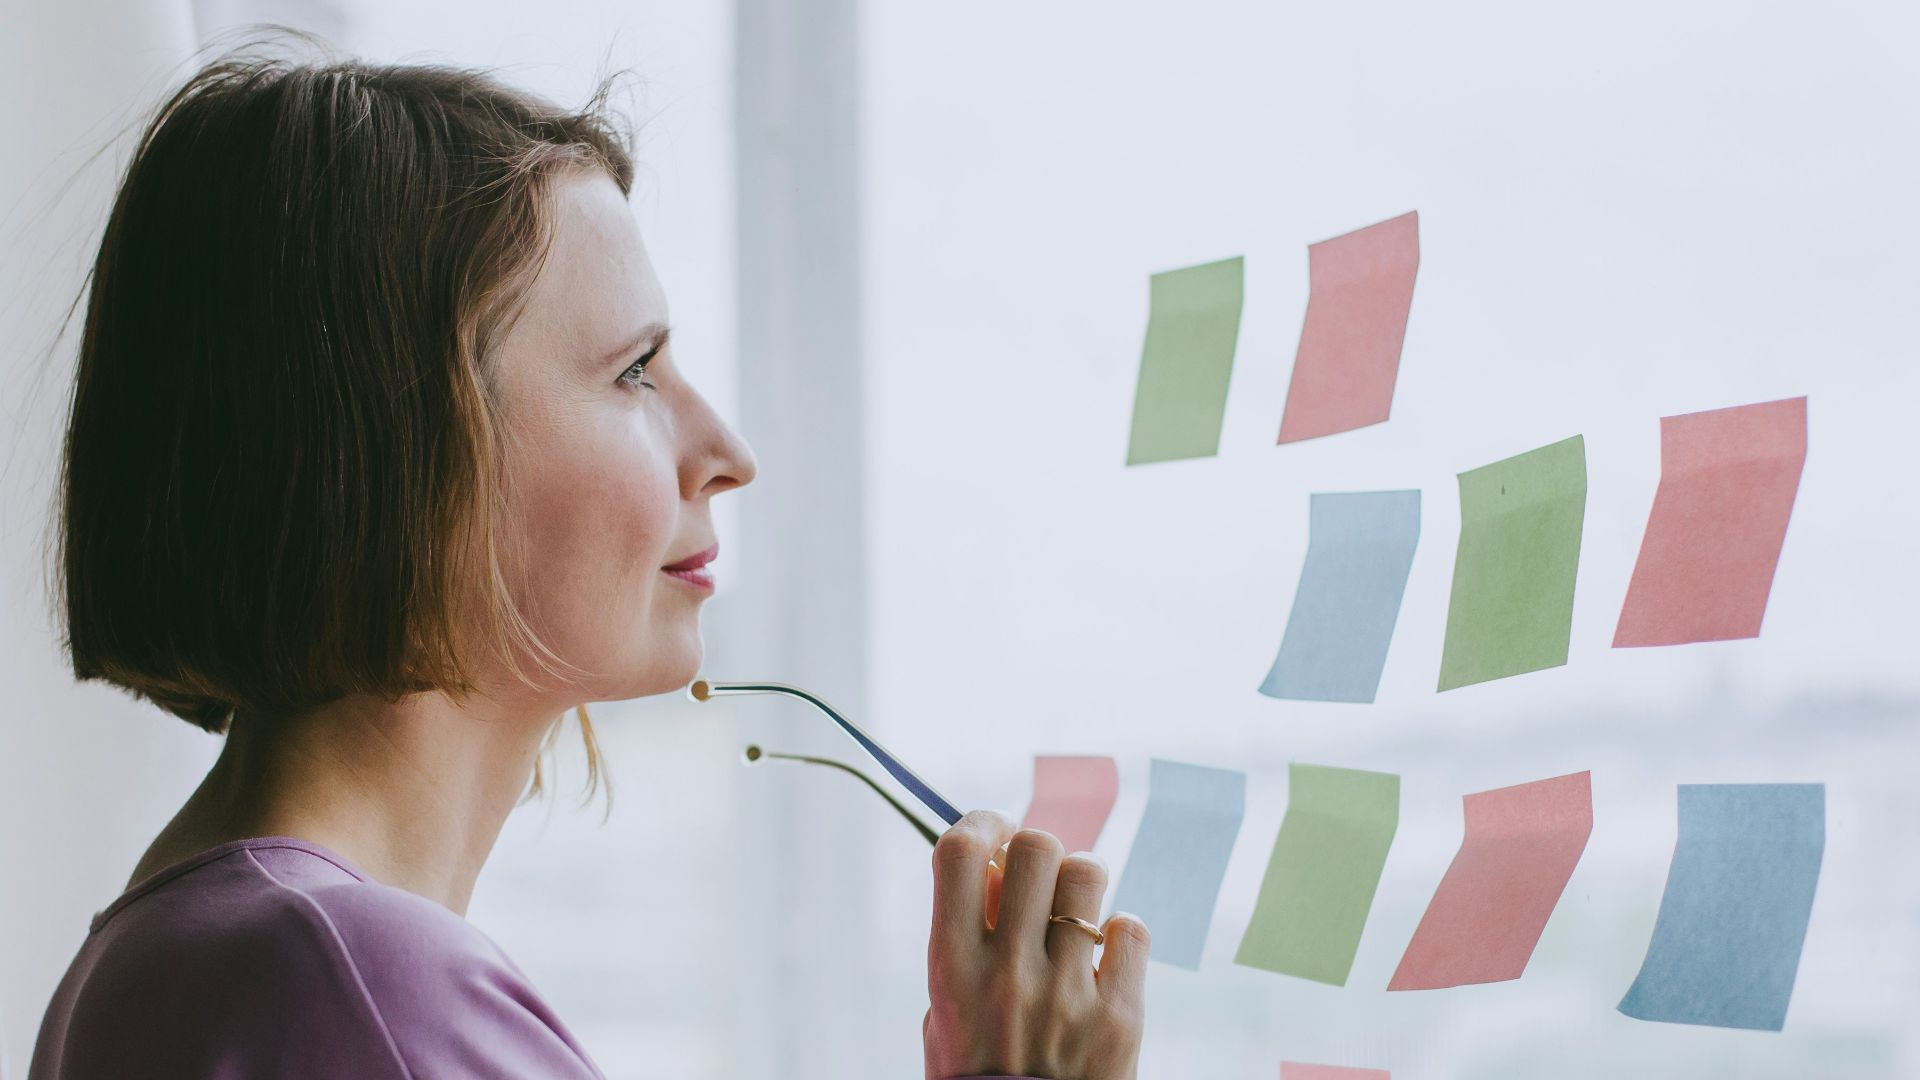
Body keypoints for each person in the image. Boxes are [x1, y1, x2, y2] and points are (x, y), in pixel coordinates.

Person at [26, 39, 1150, 1080]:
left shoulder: (177, 957)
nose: (726, 455)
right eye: (634, 373)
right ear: (401, 455)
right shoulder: (353, 979)